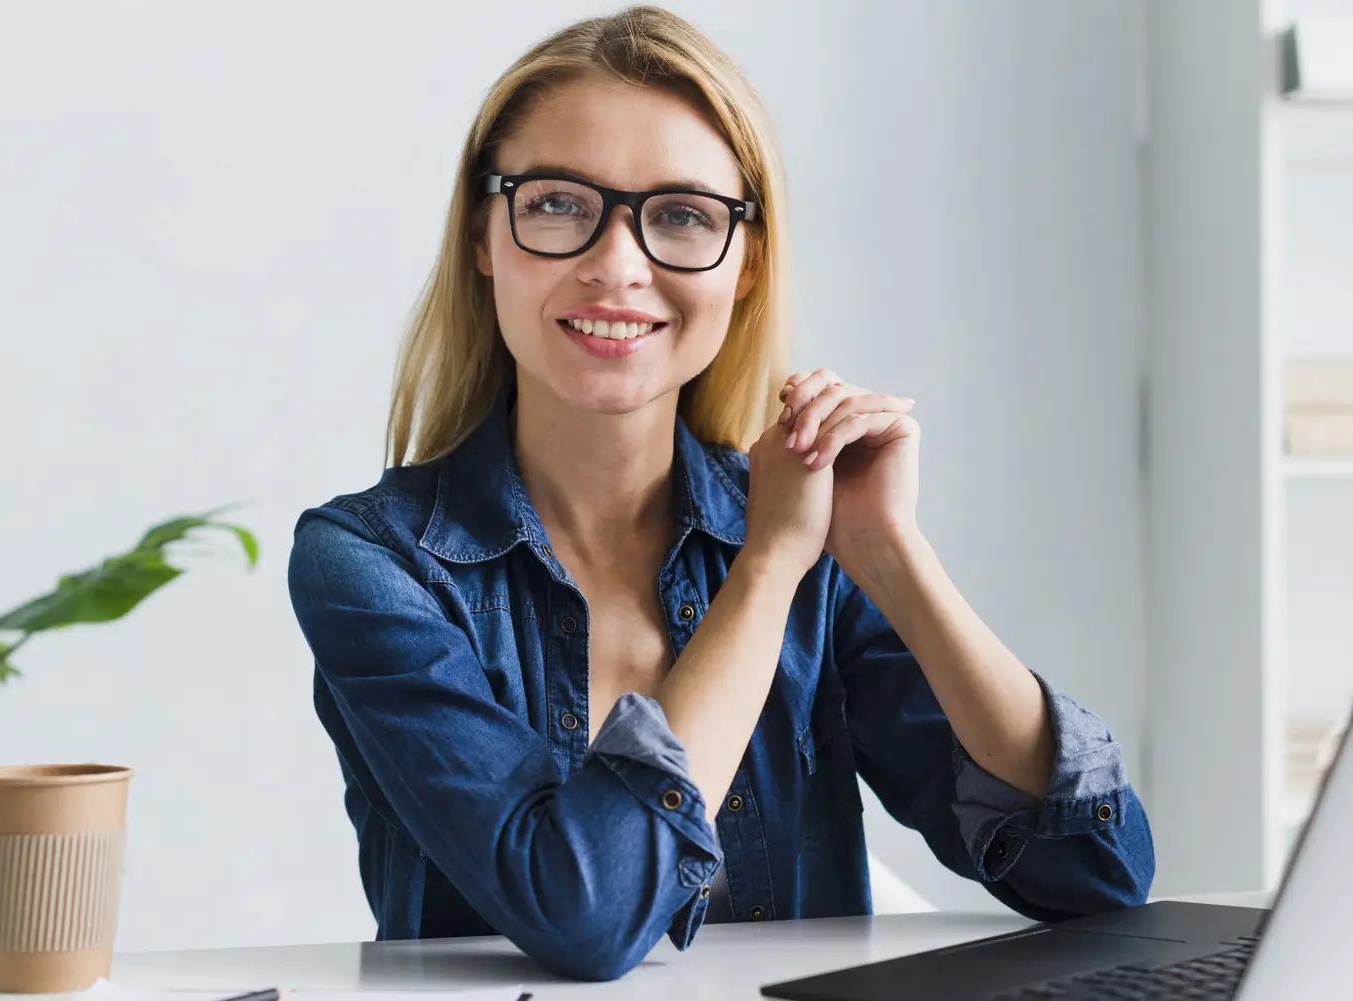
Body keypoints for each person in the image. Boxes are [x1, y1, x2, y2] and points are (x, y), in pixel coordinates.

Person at [286, 4, 1154, 983]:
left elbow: (1096, 869)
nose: (617, 267)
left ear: (747, 263)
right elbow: (585, 912)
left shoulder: (808, 537)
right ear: (484, 232)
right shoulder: (373, 563)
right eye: (559, 202)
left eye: (683, 216)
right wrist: (768, 566)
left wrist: (892, 554)